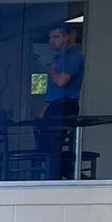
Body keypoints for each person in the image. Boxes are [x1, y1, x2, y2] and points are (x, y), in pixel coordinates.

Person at [37, 24, 85, 179]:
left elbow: (62, 81)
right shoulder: (58, 57)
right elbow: (55, 89)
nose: (51, 41)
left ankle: (64, 179)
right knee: (45, 146)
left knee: (53, 148)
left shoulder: (73, 56)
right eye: (50, 37)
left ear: (67, 37)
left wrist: (51, 70)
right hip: (54, 105)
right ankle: (64, 175)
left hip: (65, 106)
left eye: (56, 37)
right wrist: (46, 106)